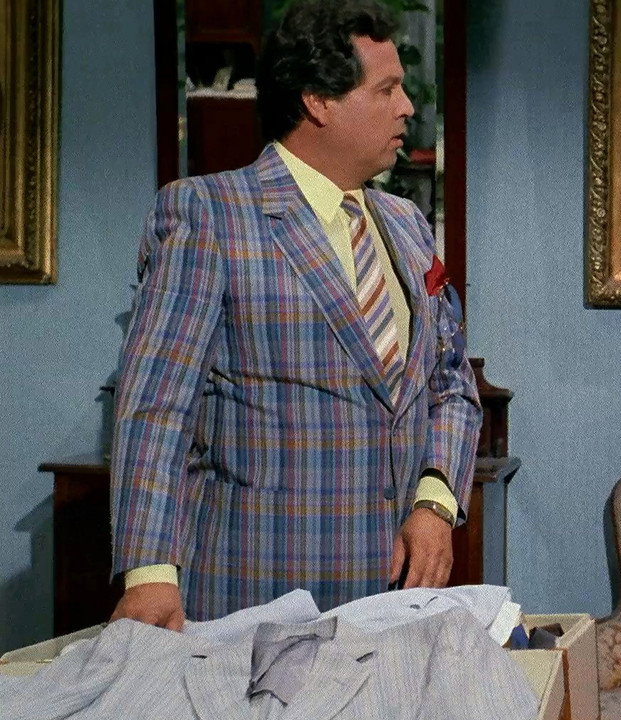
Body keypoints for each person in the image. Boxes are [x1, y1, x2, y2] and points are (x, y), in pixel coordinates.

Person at [108, 0, 481, 629]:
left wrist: (435, 501)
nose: (407, 107)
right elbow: (156, 407)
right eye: (386, 89)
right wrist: (148, 574)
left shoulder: (406, 225)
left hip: (390, 603)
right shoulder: (211, 214)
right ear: (319, 101)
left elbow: (449, 383)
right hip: (254, 597)